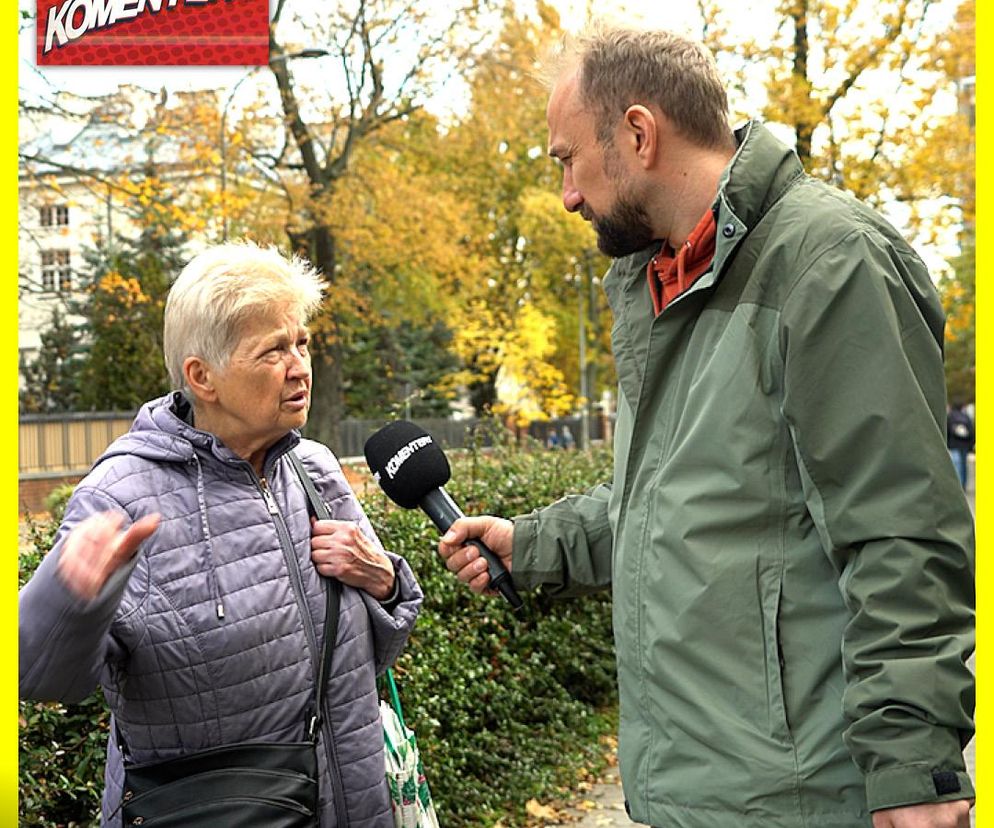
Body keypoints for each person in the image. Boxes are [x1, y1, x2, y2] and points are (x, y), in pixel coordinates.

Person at [439, 26, 974, 828]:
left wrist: (913, 770)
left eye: (566, 158)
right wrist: (537, 541)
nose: (568, 195)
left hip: (805, 799)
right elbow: (683, 503)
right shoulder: (662, 283)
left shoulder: (830, 263)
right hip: (698, 793)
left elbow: (899, 531)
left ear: (639, 134)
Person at [19, 242, 423, 827]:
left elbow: (363, 657)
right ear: (201, 376)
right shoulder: (120, 497)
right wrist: (69, 599)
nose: (299, 366)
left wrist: (384, 583)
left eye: (301, 342)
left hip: (357, 805)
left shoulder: (315, 470)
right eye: (273, 351)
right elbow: (42, 680)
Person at [946, 402, 974, 489]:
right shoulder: (966, 417)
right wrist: (971, 445)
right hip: (964, 445)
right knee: (963, 465)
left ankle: (958, 485)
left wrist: (947, 443)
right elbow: (972, 432)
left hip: (954, 445)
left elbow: (947, 431)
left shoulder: (950, 417)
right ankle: (963, 484)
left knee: (957, 464)